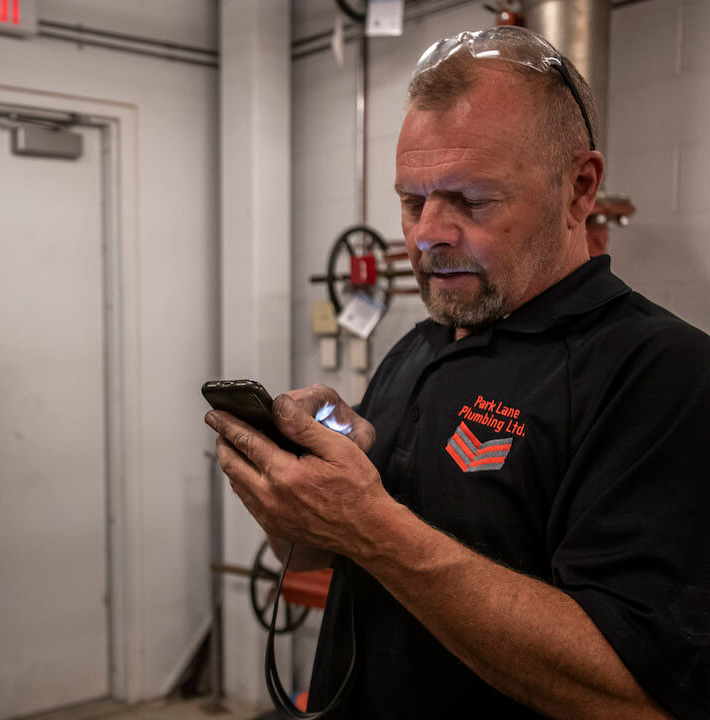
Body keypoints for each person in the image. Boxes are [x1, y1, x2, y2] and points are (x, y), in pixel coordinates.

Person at [206, 27, 709, 719]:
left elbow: (633, 691)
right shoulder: (419, 345)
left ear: (579, 188)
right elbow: (327, 560)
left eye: (470, 200)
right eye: (412, 201)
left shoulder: (662, 374)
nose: (425, 236)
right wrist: (295, 501)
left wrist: (369, 525)